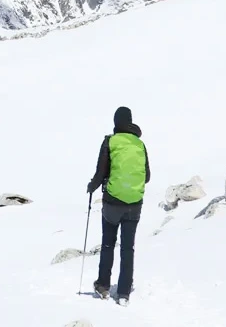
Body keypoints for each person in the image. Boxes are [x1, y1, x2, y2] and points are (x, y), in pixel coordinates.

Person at [86, 105, 151, 304]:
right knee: (128, 248)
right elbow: (147, 176)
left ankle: (103, 286)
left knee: (108, 244)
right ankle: (123, 292)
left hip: (113, 202)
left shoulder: (110, 141)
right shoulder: (140, 144)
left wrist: (91, 186)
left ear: (116, 122)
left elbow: (100, 172)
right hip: (135, 203)